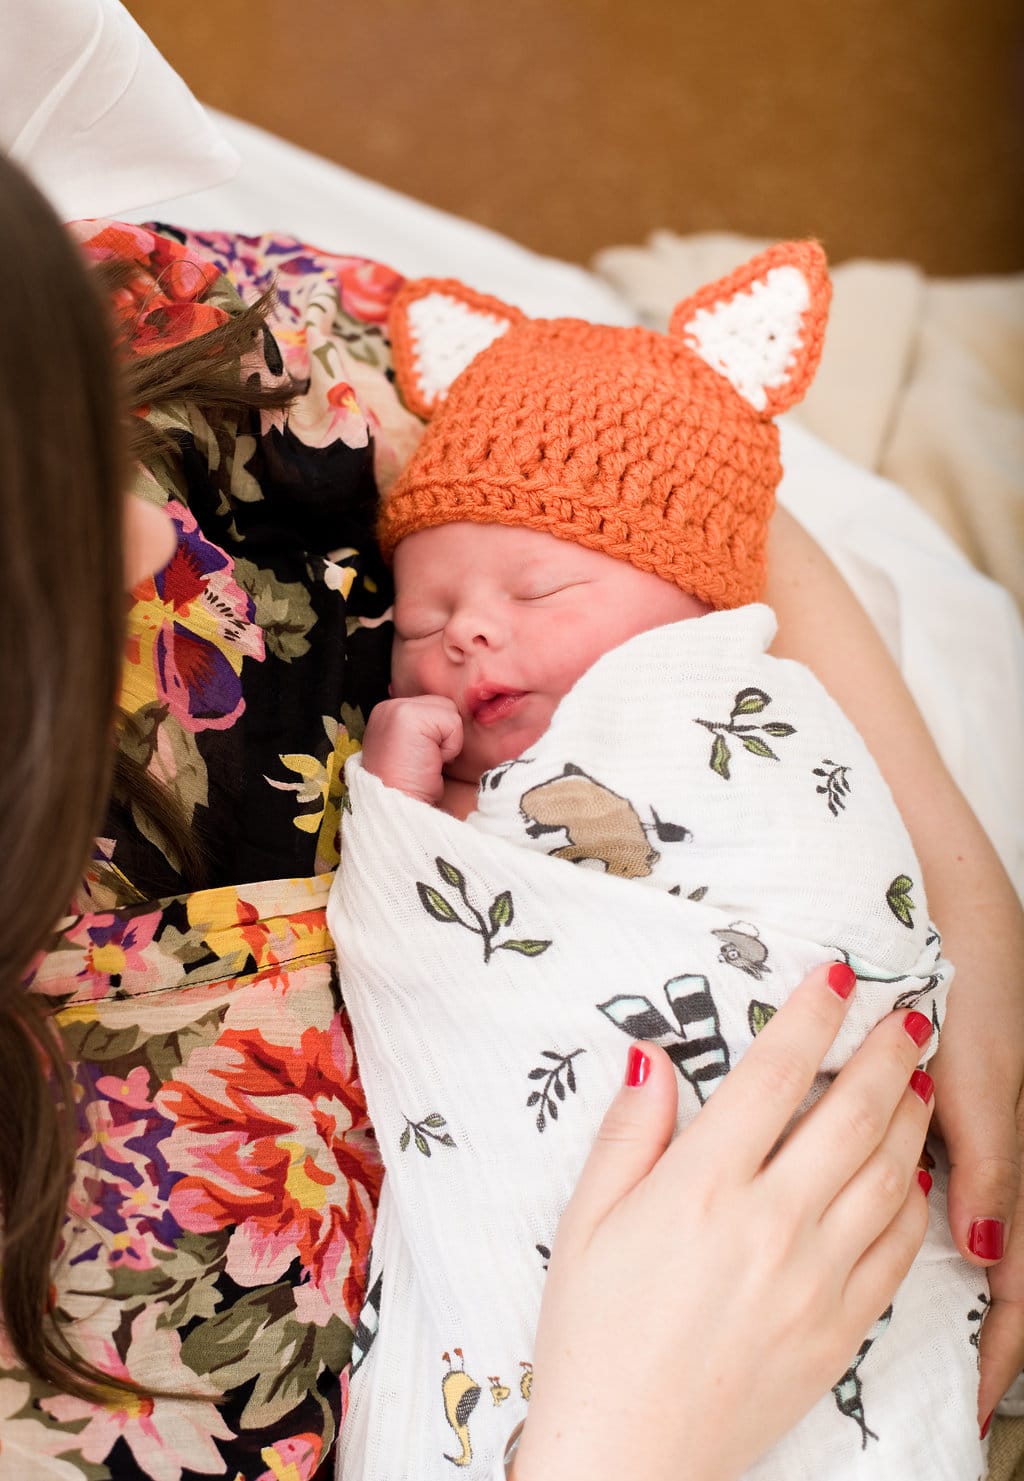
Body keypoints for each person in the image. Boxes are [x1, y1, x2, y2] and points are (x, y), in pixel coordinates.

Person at [0, 152, 1020, 1481]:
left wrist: (966, 910)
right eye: (49, 532)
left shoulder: (157, 341)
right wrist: (628, 1446)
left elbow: (656, 456)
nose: (162, 559)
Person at [331, 244, 982, 1478]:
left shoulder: (743, 705)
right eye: (424, 616)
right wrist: (404, 816)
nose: (466, 628)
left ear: (704, 609)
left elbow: (841, 888)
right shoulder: (459, 770)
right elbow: (426, 962)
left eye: (541, 586)